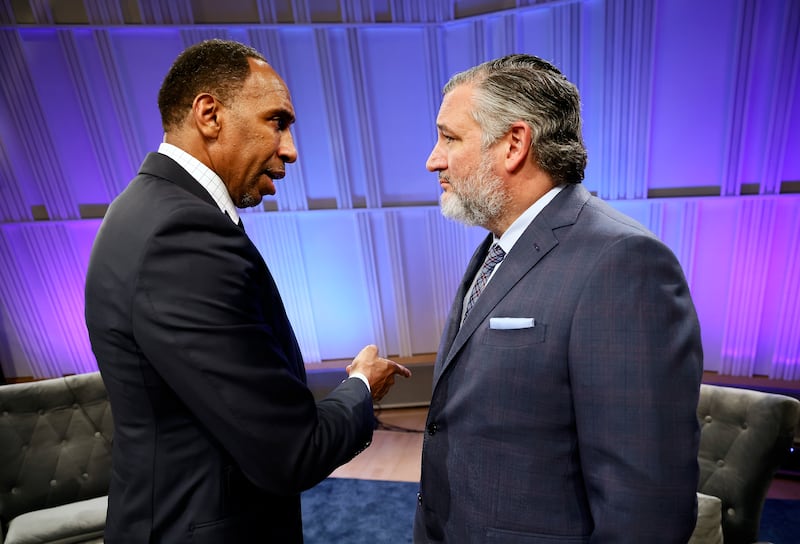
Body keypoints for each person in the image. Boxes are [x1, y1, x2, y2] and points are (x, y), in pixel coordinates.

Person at [84, 39, 410, 543]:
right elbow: (292, 453)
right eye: (277, 122)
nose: (291, 150)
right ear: (209, 114)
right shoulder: (184, 237)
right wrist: (361, 387)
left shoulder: (142, 206)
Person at [414, 54, 703, 543]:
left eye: (450, 137)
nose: (433, 159)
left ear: (514, 144)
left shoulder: (623, 263)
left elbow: (645, 504)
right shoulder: (498, 245)